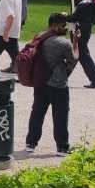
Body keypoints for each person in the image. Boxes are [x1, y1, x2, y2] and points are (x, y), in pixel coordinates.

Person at [25, 12, 77, 155]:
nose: (65, 28)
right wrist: (76, 42)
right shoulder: (63, 43)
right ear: (59, 25)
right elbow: (73, 59)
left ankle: (30, 143)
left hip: (40, 81)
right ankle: (62, 146)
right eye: (64, 25)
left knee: (37, 112)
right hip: (58, 84)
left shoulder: (39, 37)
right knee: (60, 115)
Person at [71, 0, 95, 89]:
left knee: (82, 55)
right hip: (85, 30)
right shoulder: (92, 3)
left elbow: (74, 18)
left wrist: (60, 17)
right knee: (79, 55)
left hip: (80, 32)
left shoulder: (84, 4)